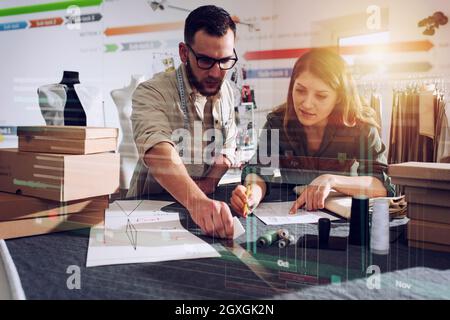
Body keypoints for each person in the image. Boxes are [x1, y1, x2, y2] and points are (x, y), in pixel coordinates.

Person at [230, 48, 395, 217]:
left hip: (341, 221)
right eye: (300, 90)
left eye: (321, 96)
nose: (307, 104)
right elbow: (259, 171)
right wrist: (252, 194)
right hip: (287, 214)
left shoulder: (360, 126)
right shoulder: (277, 123)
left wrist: (331, 180)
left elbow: (380, 185)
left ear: (339, 97)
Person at [128, 5, 239, 239]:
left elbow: (228, 147)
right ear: (183, 52)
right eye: (205, 61)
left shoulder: (227, 90)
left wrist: (209, 183)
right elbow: (159, 151)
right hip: (150, 208)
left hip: (202, 206)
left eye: (225, 61)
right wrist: (196, 200)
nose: (216, 73)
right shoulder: (151, 92)